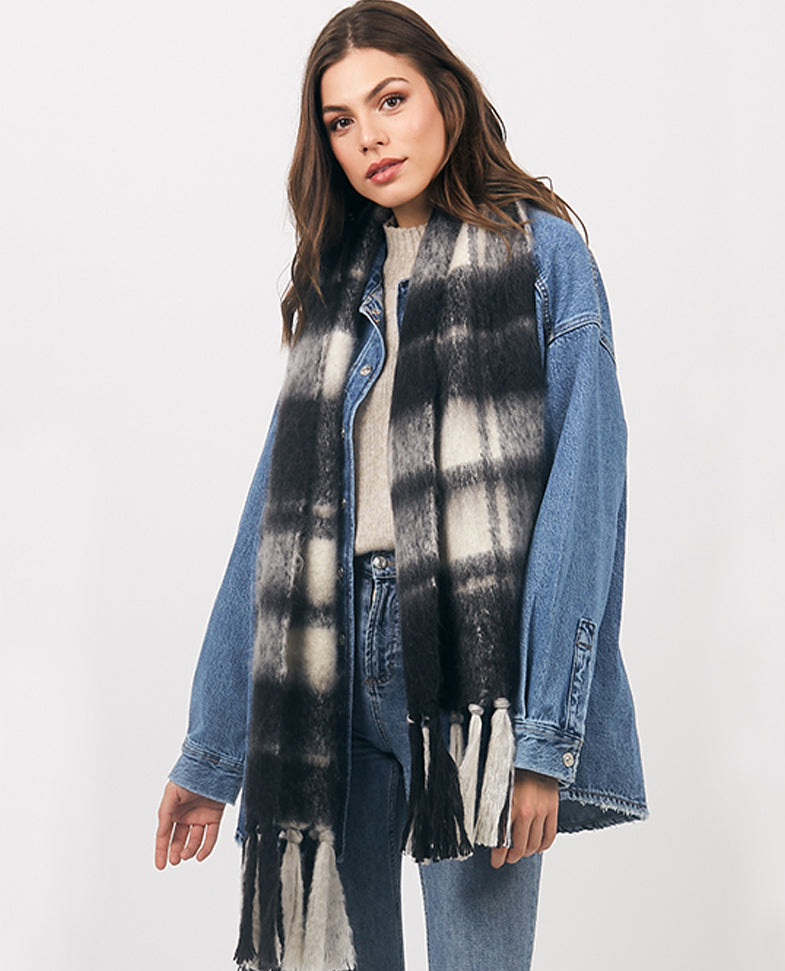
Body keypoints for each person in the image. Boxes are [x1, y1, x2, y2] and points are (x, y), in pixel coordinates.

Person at [154, 2, 647, 969]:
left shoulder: (542, 256)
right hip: (325, 668)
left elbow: (582, 502)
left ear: (446, 101)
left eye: (390, 101)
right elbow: (270, 523)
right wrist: (210, 749)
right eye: (341, 120)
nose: (369, 137)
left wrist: (540, 738)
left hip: (474, 678)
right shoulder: (334, 287)